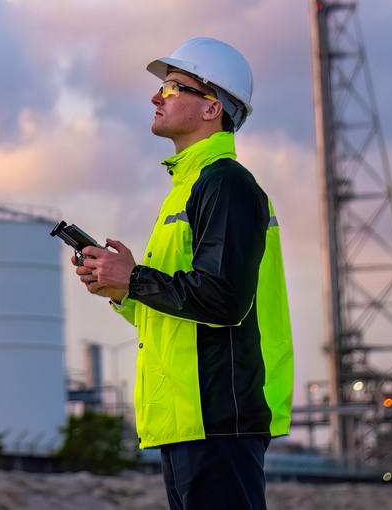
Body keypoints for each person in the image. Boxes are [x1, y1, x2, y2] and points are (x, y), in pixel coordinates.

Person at [76, 37, 293, 509]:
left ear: (212, 107)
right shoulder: (188, 189)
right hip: (186, 418)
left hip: (218, 414)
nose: (157, 97)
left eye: (174, 87)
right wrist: (120, 290)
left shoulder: (226, 182)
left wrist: (134, 278)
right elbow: (179, 311)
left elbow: (223, 299)